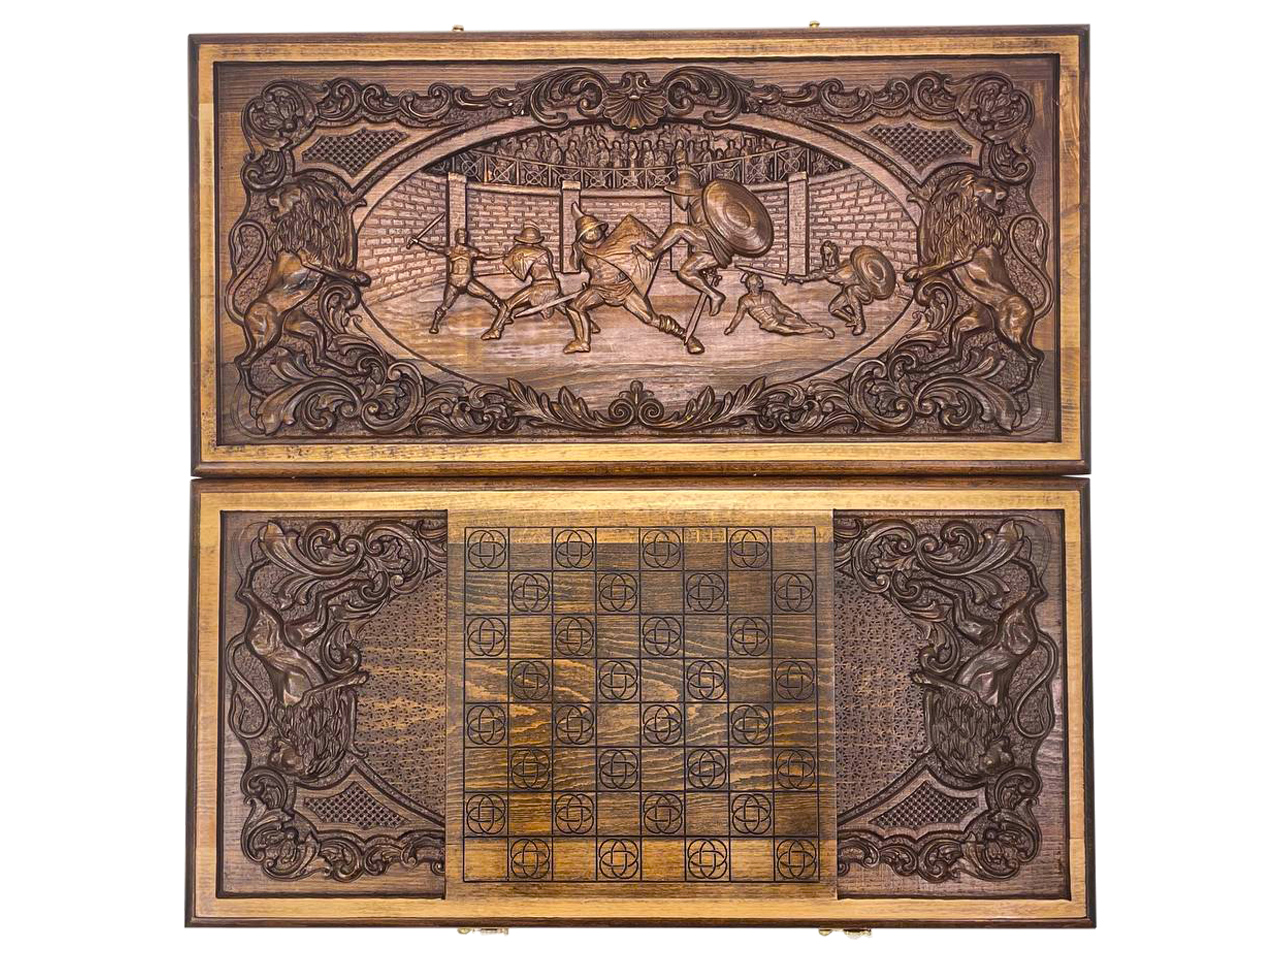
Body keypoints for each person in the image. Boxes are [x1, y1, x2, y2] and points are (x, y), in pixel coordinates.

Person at [565, 204, 703, 355]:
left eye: (594, 230)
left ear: (601, 229)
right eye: (587, 232)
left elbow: (638, 254)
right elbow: (574, 266)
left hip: (624, 290)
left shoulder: (617, 243)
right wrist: (576, 252)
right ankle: (583, 341)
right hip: (599, 290)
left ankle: (686, 336)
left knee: (650, 319)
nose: (592, 234)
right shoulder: (583, 250)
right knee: (574, 307)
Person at [632, 165, 732, 315]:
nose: (675, 197)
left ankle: (654, 253)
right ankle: (715, 295)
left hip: (713, 241)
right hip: (710, 250)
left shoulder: (702, 201)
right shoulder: (696, 204)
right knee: (685, 272)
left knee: (677, 228)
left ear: (685, 192)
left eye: (676, 193)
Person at [482, 223, 576, 342]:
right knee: (565, 307)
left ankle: (495, 331)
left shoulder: (526, 252)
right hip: (554, 286)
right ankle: (590, 325)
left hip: (540, 288)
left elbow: (520, 274)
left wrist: (511, 256)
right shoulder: (546, 251)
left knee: (507, 304)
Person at [795, 240, 897, 334]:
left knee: (850, 289)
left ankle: (860, 324)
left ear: (835, 253)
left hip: (864, 292)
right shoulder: (825, 272)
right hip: (849, 294)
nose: (826, 258)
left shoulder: (849, 264)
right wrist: (792, 277)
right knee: (833, 308)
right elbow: (808, 277)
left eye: (829, 254)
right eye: (824, 254)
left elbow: (866, 269)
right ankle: (853, 319)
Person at [415, 227, 502, 334]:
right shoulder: (449, 250)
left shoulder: (471, 251)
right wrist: (418, 242)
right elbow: (433, 248)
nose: (463, 237)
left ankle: (504, 314)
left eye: (465, 235)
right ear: (456, 237)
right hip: (454, 283)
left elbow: (485, 256)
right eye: (461, 235)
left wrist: (501, 256)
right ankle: (434, 325)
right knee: (445, 305)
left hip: (468, 281)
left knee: (488, 294)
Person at [724, 272, 835, 338]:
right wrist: (731, 328)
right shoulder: (745, 300)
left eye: (759, 282)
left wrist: (792, 314)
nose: (760, 284)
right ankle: (821, 329)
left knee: (800, 321)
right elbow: (739, 316)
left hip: (779, 316)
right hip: (770, 323)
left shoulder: (768, 295)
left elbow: (780, 307)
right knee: (793, 330)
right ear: (752, 285)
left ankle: (812, 326)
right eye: (757, 283)